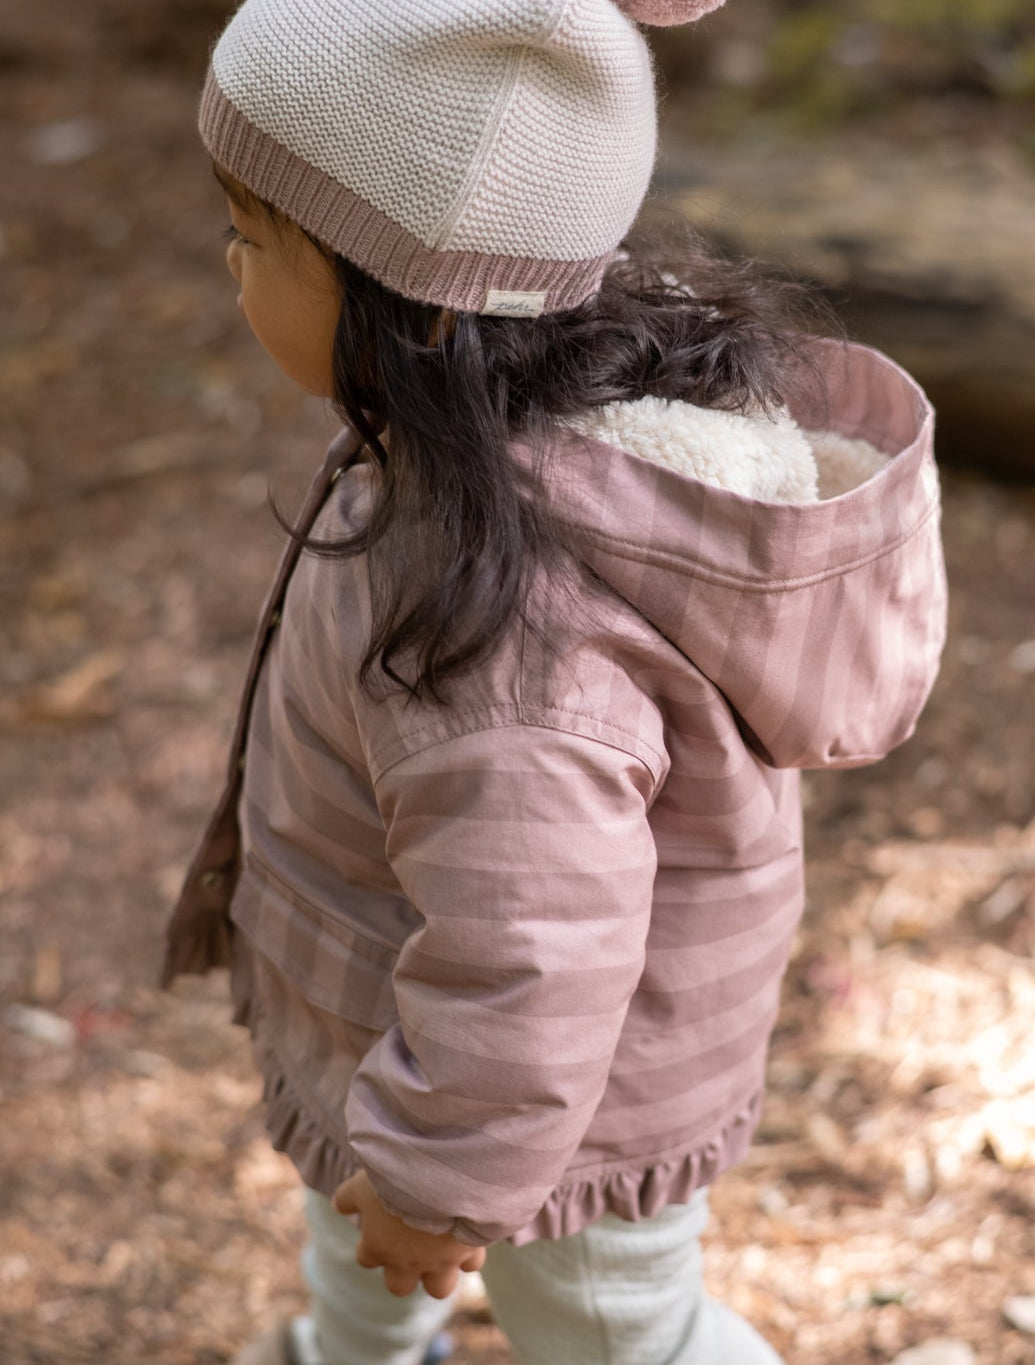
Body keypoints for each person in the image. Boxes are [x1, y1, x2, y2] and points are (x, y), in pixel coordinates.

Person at [163, 0, 948, 1362]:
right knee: (353, 1223)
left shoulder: (505, 638)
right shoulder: (461, 444)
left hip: (554, 1103)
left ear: (408, 304)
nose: (228, 272)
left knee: (612, 1331)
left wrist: (436, 1182)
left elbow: (535, 952)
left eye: (253, 240)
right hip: (407, 1038)